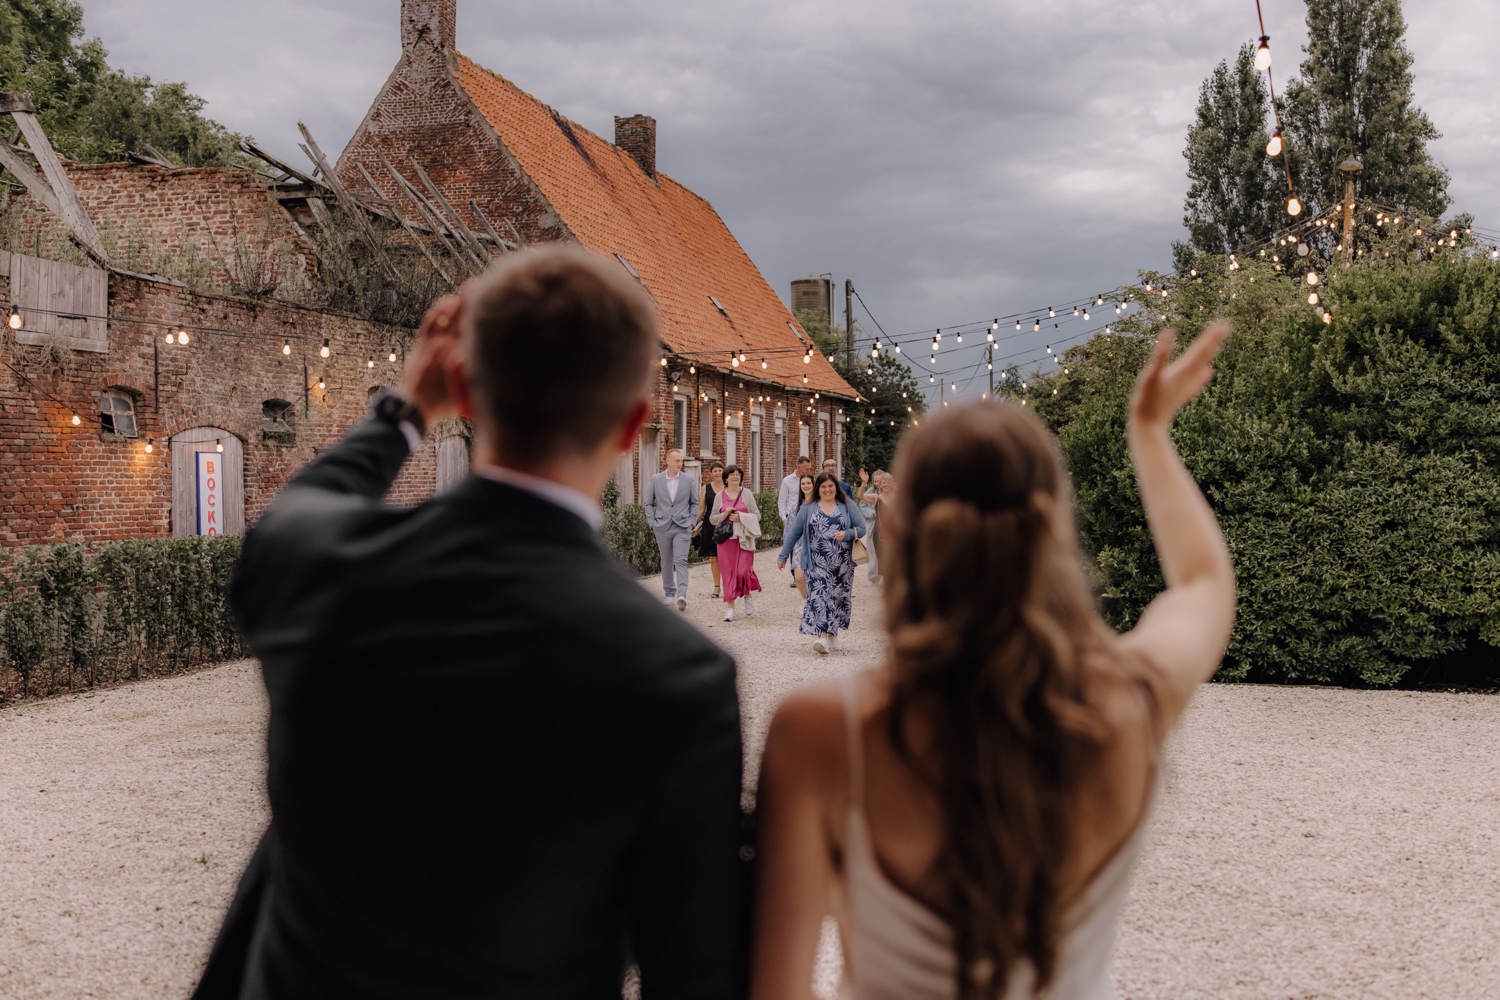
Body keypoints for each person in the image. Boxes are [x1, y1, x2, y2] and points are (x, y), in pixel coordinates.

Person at [193, 248, 747, 1000]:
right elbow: (692, 971)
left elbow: (302, 508)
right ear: (633, 427)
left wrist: (405, 406)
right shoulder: (678, 675)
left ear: (462, 386)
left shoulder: (324, 568)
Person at [750, 325, 1236, 1000]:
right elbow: (1205, 585)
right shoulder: (1131, 703)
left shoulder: (824, 731)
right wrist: (1150, 433)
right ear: (1054, 530)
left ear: (893, 529)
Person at [776, 471, 867, 654]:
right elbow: (794, 532)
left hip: (842, 564)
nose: (827, 489)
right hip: (815, 563)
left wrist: (847, 534)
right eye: (823, 486)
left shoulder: (847, 505)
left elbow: (862, 528)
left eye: (830, 486)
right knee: (820, 595)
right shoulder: (808, 507)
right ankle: (823, 637)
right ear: (818, 488)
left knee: (837, 598)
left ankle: (833, 634)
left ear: (836, 487)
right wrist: (783, 556)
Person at [645, 448, 700, 610]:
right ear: (667, 460)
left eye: (681, 461)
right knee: (666, 561)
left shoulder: (688, 480)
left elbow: (695, 502)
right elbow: (648, 503)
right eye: (677, 461)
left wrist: (691, 521)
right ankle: (669, 593)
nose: (680, 464)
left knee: (681, 560)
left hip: (682, 526)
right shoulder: (656, 479)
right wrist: (652, 522)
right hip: (662, 526)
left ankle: (682, 594)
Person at [710, 464, 762, 622]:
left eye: (738, 474)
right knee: (728, 574)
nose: (735, 476)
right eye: (731, 474)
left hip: (744, 539)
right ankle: (730, 609)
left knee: (743, 571)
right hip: (726, 541)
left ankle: (747, 596)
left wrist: (741, 517)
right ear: (726, 478)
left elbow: (757, 515)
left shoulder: (746, 494)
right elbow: (712, 519)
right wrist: (724, 514)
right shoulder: (720, 496)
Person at [779, 456, 813, 588]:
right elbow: (782, 501)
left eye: (809, 468)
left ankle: (807, 570)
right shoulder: (787, 481)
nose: (808, 470)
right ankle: (796, 574)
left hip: (807, 514)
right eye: (806, 468)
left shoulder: (810, 481)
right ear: (798, 467)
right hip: (792, 515)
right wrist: (784, 518)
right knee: (794, 545)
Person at [698, 460, 726, 599]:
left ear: (723, 471)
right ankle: (716, 587)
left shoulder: (728, 487)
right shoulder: (706, 488)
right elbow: (701, 509)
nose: (718, 473)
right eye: (715, 471)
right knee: (714, 557)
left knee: (726, 557)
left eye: (720, 470)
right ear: (711, 473)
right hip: (710, 525)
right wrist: (692, 523)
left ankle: (729, 585)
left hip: (726, 524)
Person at [789, 473, 816, 600]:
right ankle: (806, 600)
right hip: (799, 545)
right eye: (803, 483)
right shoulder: (796, 506)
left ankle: (813, 601)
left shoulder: (819, 503)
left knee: (813, 576)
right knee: (798, 576)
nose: (806, 486)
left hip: (816, 543)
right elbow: (790, 529)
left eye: (808, 483)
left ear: (813, 484)